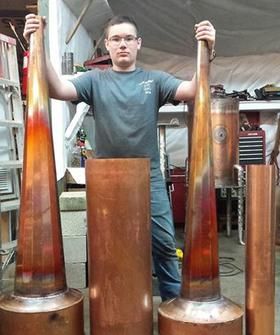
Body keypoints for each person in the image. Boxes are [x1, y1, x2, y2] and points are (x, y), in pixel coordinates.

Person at [23, 14, 216, 301]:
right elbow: (57, 89)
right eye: (116, 39)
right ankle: (117, 308)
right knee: (111, 247)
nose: (122, 44)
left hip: (148, 175)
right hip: (107, 179)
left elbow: (191, 90)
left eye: (128, 39)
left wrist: (207, 51)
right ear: (107, 45)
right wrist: (38, 46)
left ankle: (174, 308)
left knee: (163, 243)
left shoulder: (154, 80)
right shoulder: (94, 81)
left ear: (138, 44)